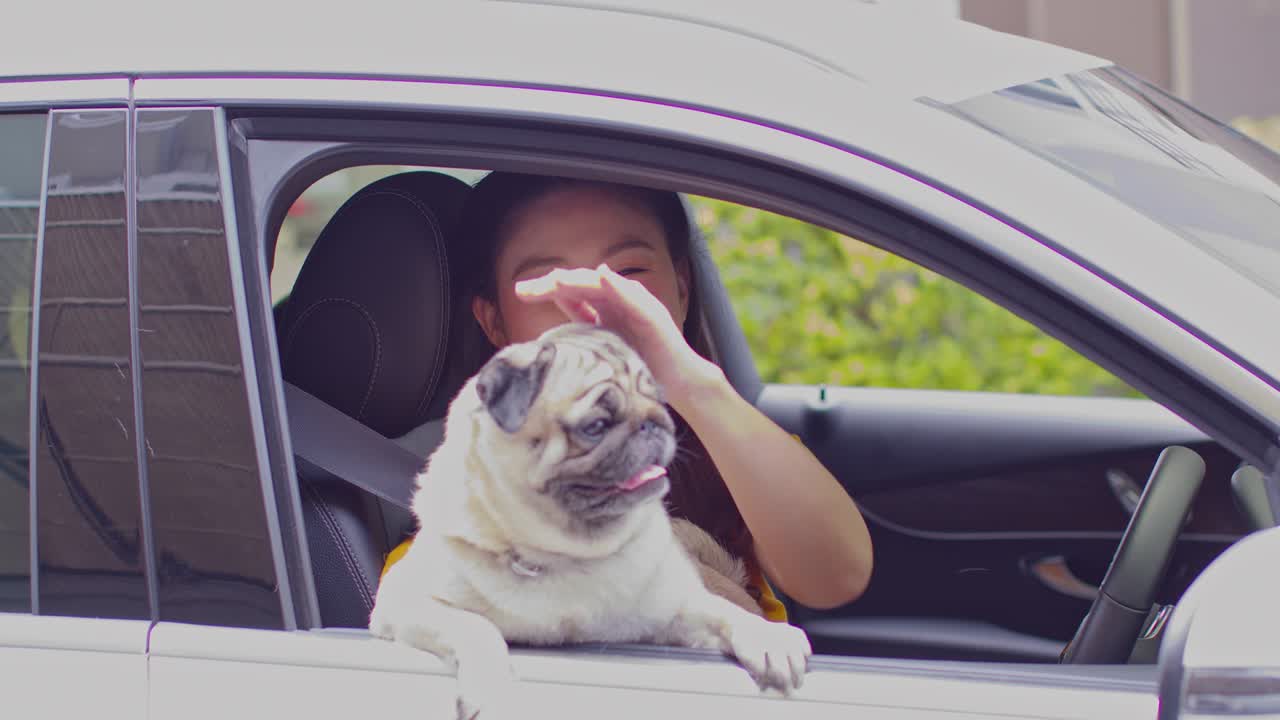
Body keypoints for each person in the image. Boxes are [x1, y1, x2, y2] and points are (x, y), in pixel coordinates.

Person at [386, 171, 873, 620]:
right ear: (495, 322)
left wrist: (688, 380)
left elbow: (836, 576)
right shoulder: (461, 515)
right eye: (545, 282)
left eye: (630, 271)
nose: (594, 307)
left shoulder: (733, 452)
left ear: (681, 287)